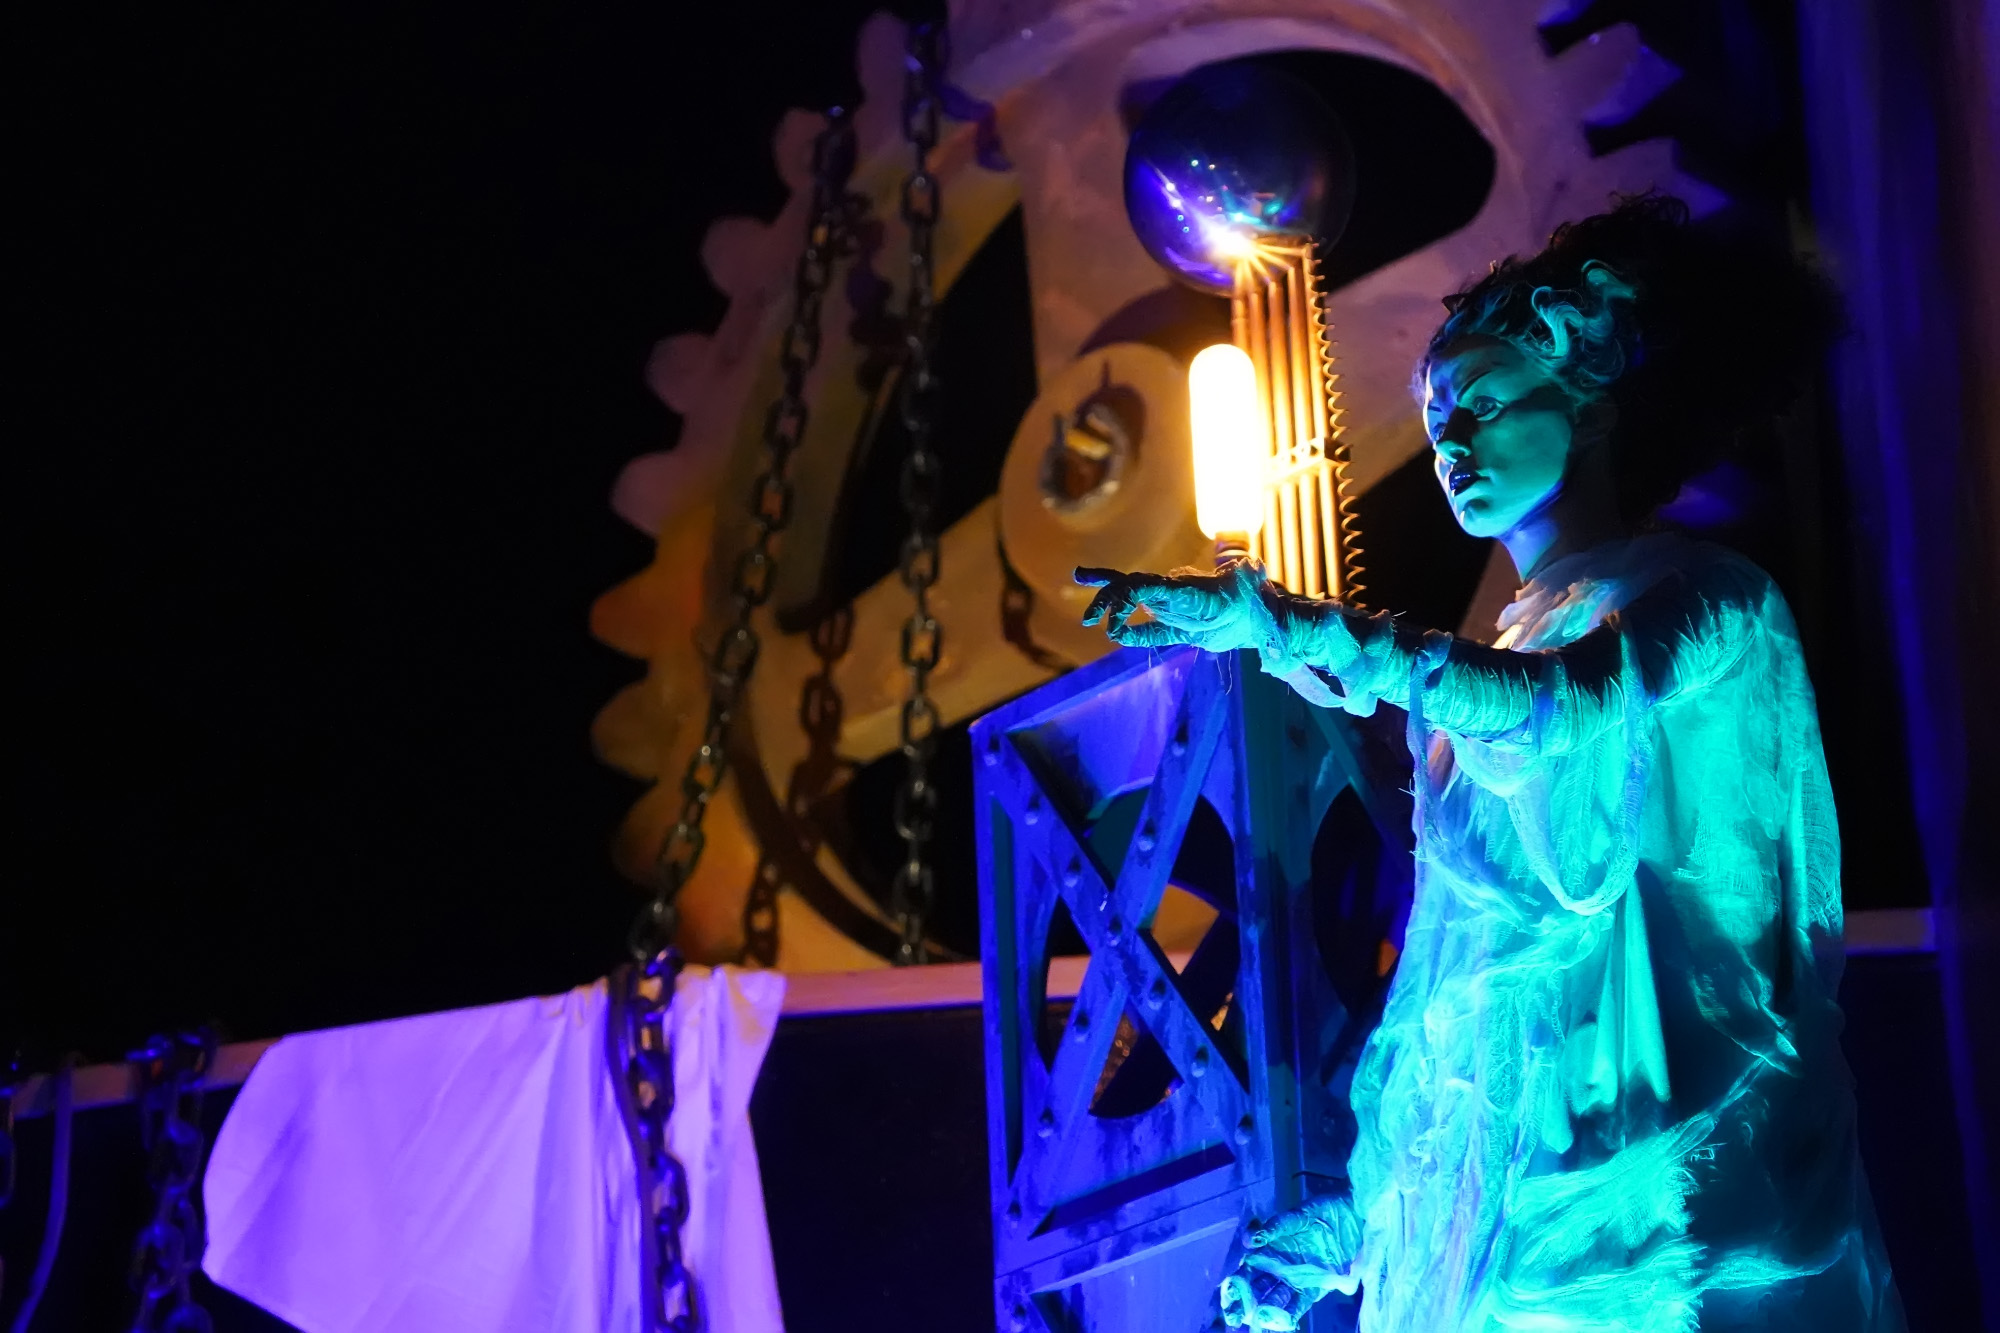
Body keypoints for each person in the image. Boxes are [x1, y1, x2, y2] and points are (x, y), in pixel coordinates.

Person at [1077, 196, 1905, 1331]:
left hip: (1671, 1207)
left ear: (1591, 406)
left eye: (1484, 403)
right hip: (1522, 1233)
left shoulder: (1708, 598)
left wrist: (1287, 628)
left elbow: (1564, 707)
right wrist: (1355, 1229)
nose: (1451, 445)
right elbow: (1455, 996)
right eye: (1435, 422)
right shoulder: (1477, 701)